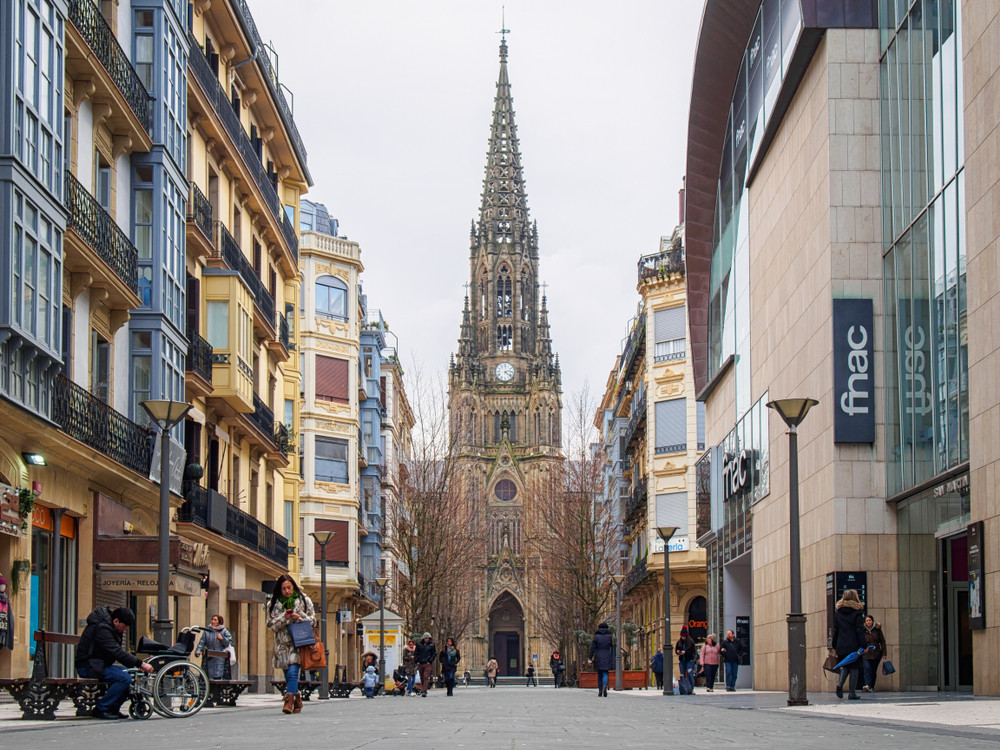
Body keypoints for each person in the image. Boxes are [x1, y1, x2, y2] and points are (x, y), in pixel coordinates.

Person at [75, 606, 153, 720]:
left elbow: (117, 652)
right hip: (87, 667)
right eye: (125, 626)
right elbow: (117, 652)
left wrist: (135, 665)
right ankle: (101, 709)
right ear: (116, 621)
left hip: (99, 665)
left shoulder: (110, 627)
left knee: (130, 674)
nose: (126, 629)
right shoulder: (103, 630)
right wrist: (140, 664)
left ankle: (113, 708)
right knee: (124, 678)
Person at [266, 573, 316, 714]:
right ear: (279, 590)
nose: (287, 591)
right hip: (282, 645)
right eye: (284, 589)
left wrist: (299, 617)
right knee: (288, 675)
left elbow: (313, 621)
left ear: (294, 587)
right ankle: (297, 698)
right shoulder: (273, 604)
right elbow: (270, 625)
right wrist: (285, 617)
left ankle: (288, 701)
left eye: (289, 587)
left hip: (298, 643)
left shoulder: (304, 601)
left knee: (293, 673)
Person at [831, 588, 866, 700]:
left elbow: (835, 630)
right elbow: (859, 630)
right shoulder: (857, 612)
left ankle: (840, 684)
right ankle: (852, 693)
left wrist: (834, 645)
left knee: (846, 665)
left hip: (841, 644)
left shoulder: (838, 612)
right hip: (854, 644)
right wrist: (864, 645)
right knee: (854, 667)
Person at [194, 614, 232, 680]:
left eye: (215, 620)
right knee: (209, 674)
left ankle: (218, 687)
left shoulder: (224, 631)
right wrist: (198, 651)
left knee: (218, 674)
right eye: (212, 619)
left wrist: (222, 638)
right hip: (209, 656)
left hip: (220, 657)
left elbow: (229, 643)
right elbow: (202, 642)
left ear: (219, 621)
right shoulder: (207, 631)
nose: (212, 621)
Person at [589, 622, 614, 697]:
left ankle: (600, 690)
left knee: (599, 674)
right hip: (607, 655)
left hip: (598, 655)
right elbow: (611, 647)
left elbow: (593, 648)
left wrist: (590, 658)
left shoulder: (596, 637)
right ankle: (605, 686)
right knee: (605, 672)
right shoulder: (609, 636)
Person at [862, 616, 886, 692]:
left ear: (872, 621)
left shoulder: (877, 630)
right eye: (867, 620)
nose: (868, 622)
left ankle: (872, 686)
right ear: (865, 622)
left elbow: (882, 641)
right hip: (866, 654)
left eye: (870, 620)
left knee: (873, 671)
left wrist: (884, 653)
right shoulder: (862, 630)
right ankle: (867, 685)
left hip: (876, 654)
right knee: (867, 669)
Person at [675, 626, 697, 694]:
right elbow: (676, 650)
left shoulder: (691, 642)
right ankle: (684, 689)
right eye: (682, 636)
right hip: (682, 660)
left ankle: (692, 689)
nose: (683, 638)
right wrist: (678, 652)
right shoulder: (679, 642)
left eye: (684, 636)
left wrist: (686, 652)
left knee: (690, 674)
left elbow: (693, 651)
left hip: (689, 660)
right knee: (682, 675)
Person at [415, 632, 436, 697]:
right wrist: (417, 661)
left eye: (428, 638)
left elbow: (434, 653)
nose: (427, 639)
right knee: (422, 677)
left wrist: (430, 661)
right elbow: (416, 653)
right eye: (426, 638)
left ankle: (424, 691)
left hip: (427, 663)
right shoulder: (419, 644)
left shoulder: (431, 645)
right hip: (420, 662)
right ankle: (424, 688)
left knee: (425, 676)